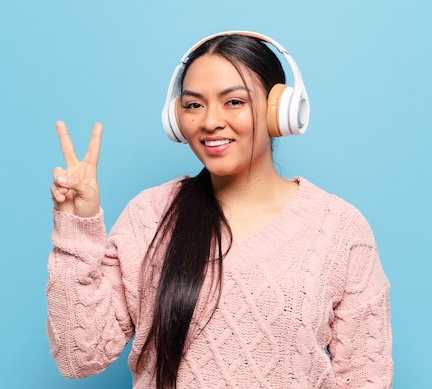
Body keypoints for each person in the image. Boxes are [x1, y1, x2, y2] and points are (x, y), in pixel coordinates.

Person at [46, 31, 393, 388]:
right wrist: (78, 227)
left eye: (234, 102)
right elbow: (78, 356)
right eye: (194, 105)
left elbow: (366, 378)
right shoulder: (149, 216)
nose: (210, 121)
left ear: (280, 111)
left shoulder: (339, 230)